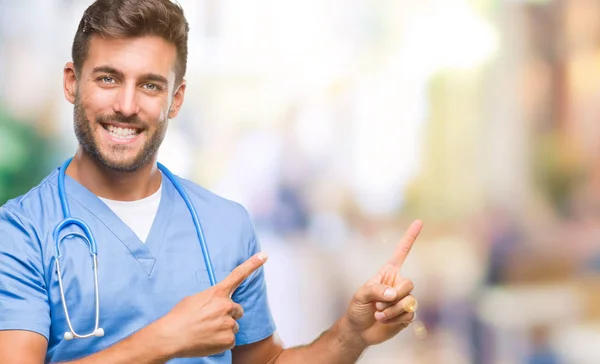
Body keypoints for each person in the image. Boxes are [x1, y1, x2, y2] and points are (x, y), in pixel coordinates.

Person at [0, 1, 422, 363]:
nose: (126, 105)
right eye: (108, 78)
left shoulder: (224, 225)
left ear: (175, 100)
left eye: (150, 85)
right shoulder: (20, 232)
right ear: (72, 82)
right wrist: (163, 339)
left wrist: (351, 334)